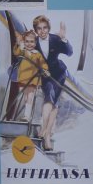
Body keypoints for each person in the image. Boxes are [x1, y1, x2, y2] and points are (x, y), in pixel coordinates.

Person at [32, 15, 72, 152]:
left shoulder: (55, 39)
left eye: (45, 28)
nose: (42, 31)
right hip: (45, 76)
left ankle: (46, 133)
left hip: (59, 75)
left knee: (54, 104)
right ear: (36, 30)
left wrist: (64, 38)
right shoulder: (34, 42)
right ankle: (46, 133)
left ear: (48, 28)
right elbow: (30, 59)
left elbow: (69, 53)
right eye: (39, 28)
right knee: (49, 99)